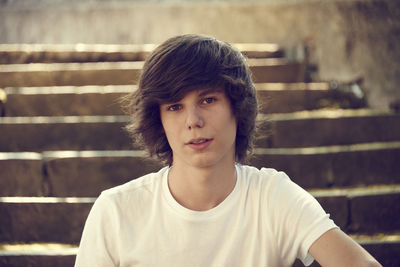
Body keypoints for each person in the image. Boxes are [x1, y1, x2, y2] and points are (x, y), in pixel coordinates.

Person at [75, 34, 381, 267]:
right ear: (159, 120)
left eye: (208, 100)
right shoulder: (115, 212)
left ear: (237, 107)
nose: (193, 121)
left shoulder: (272, 196)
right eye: (175, 106)